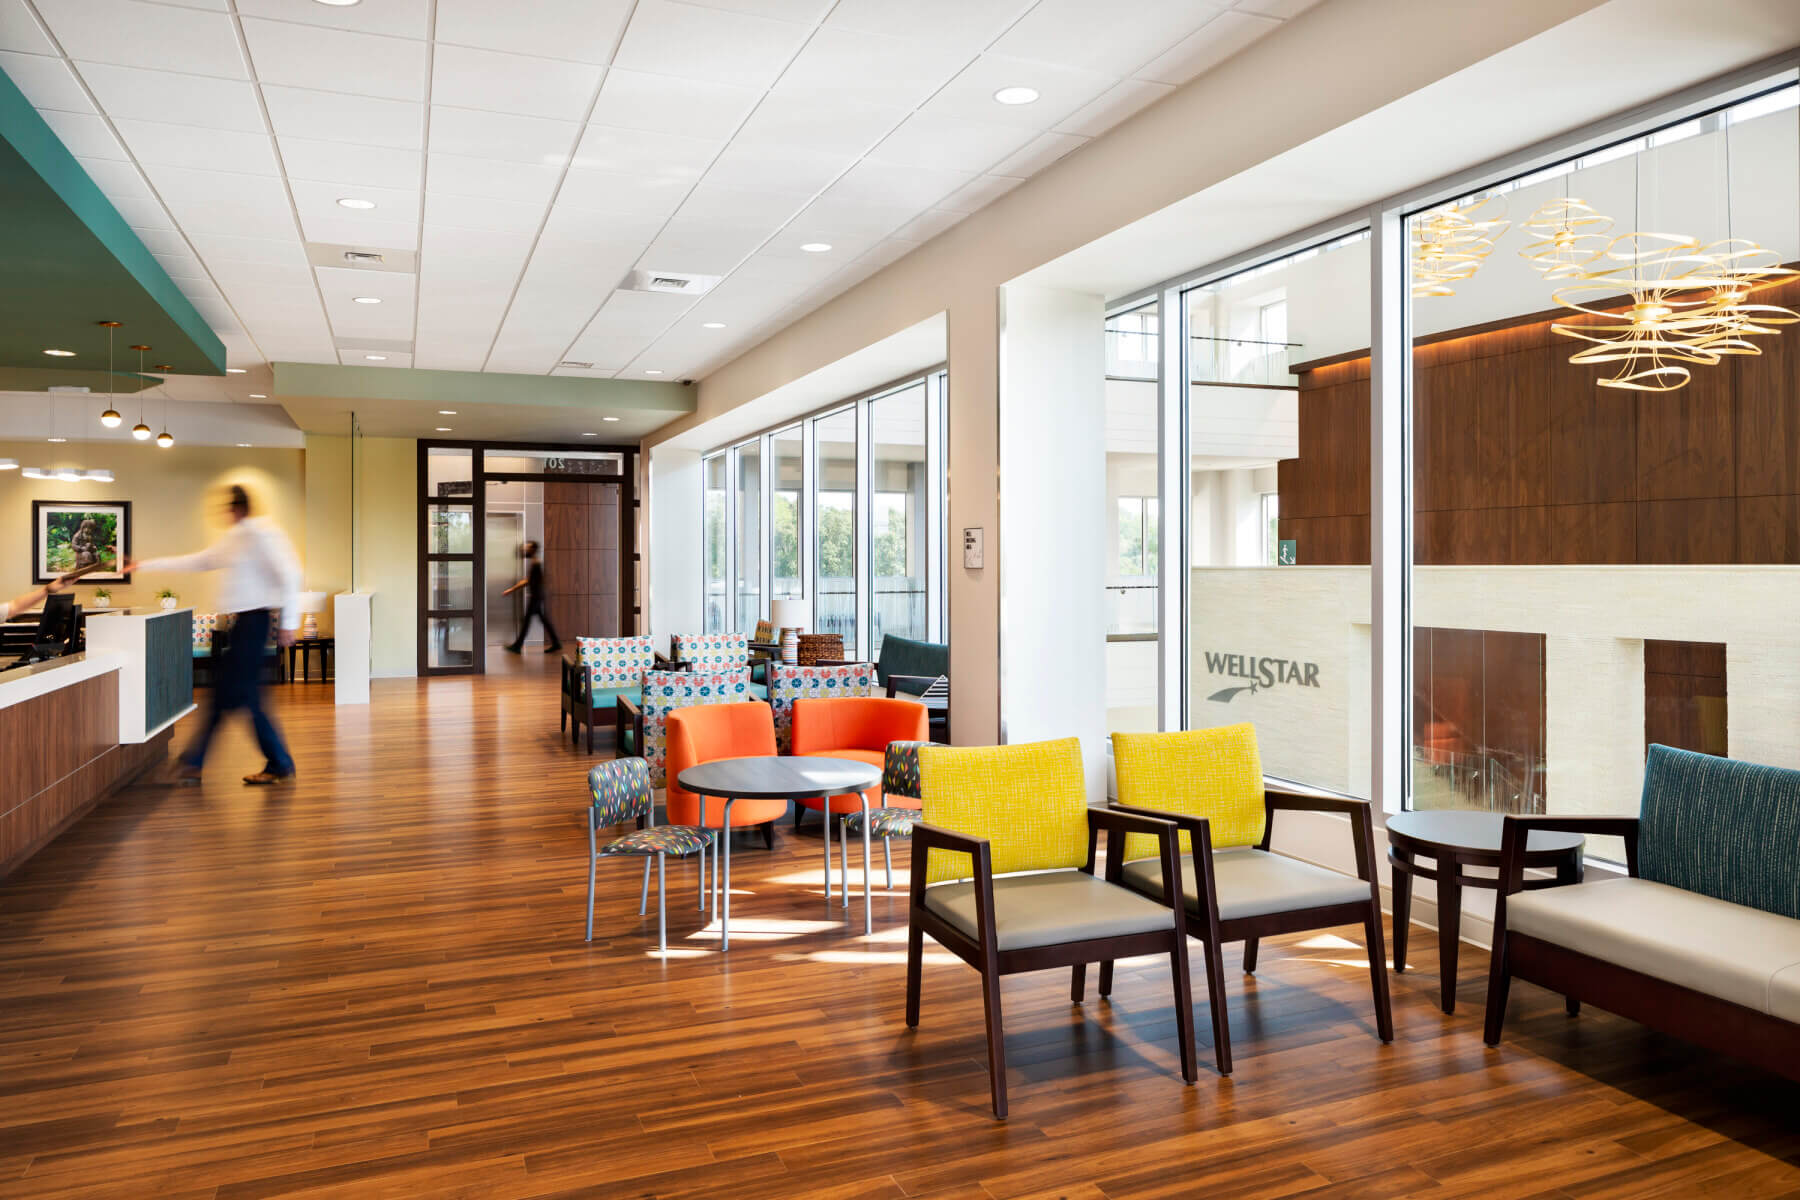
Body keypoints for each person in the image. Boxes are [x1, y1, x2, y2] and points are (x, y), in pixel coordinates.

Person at [126, 485, 302, 786]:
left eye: (228, 507)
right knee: (230, 697)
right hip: (242, 626)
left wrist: (289, 622)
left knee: (236, 697)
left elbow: (291, 575)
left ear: (238, 507)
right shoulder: (235, 538)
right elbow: (198, 561)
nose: (225, 513)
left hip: (255, 622)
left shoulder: (262, 533)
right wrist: (143, 565)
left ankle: (205, 762)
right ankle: (205, 762)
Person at [501, 540, 561, 654]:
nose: (524, 550)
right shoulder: (535, 562)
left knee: (527, 621)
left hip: (536, 597)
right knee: (543, 620)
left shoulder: (536, 563)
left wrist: (512, 589)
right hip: (538, 596)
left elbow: (527, 581)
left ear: (533, 550)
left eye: (527, 548)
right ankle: (556, 642)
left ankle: (517, 646)